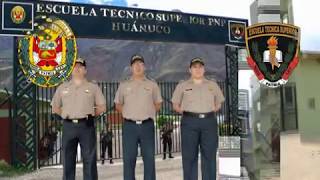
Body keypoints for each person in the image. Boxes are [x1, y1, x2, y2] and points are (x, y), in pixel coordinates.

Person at [51, 57, 106, 180]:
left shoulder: (93, 87)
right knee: (68, 160)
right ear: (71, 69)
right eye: (75, 66)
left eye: (80, 66)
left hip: (86, 126)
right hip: (68, 126)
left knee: (90, 160)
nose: (77, 68)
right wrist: (66, 114)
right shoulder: (62, 87)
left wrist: (90, 115)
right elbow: (55, 107)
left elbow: (102, 107)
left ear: (85, 70)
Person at [171, 58, 225, 180]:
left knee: (209, 156)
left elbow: (219, 104)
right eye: (195, 67)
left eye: (200, 67)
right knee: (189, 157)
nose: (198, 69)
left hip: (209, 122)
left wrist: (207, 112)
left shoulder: (213, 85)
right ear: (190, 69)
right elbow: (175, 105)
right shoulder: (182, 86)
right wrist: (188, 113)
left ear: (204, 69)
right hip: (189, 122)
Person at [114, 54, 162, 180]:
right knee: (129, 160)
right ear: (131, 67)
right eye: (135, 64)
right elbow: (118, 104)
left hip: (147, 126)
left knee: (149, 159)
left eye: (140, 63)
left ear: (144, 66)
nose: (138, 66)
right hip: (130, 126)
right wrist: (129, 113)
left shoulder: (152, 85)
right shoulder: (124, 85)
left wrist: (147, 112)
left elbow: (158, 104)